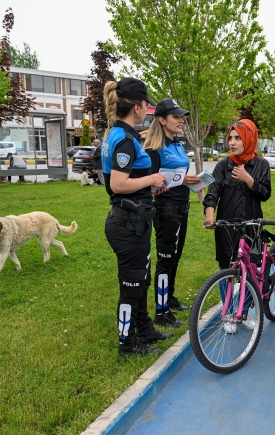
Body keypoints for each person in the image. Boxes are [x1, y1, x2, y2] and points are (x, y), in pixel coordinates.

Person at [101, 77, 172, 357]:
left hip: (134, 219)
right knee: (132, 285)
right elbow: (117, 185)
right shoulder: (125, 139)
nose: (147, 110)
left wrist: (149, 183)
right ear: (138, 108)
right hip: (127, 223)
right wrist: (153, 178)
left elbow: (128, 180)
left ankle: (143, 328)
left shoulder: (117, 134)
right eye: (146, 105)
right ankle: (127, 343)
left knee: (141, 277)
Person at [144, 98, 203, 329]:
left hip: (182, 208)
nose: (181, 120)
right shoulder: (153, 149)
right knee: (166, 260)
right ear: (161, 119)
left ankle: (169, 297)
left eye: (182, 116)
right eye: (176, 116)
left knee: (175, 257)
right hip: (165, 211)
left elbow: (177, 178)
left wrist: (194, 183)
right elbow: (151, 185)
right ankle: (161, 311)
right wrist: (181, 180)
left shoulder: (178, 145)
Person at [203, 119, 271, 270]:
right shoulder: (223, 165)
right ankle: (226, 294)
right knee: (225, 269)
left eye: (238, 138)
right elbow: (212, 192)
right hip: (227, 226)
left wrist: (249, 180)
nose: (232, 143)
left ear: (249, 138)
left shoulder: (261, 164)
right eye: (230, 138)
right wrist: (209, 215)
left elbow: (265, 194)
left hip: (251, 226)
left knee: (251, 269)